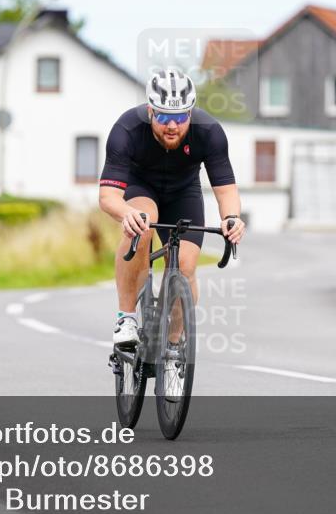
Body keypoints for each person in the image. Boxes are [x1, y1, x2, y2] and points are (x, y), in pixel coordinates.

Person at [98, 67, 246, 362]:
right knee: (142, 222)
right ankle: (126, 318)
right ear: (151, 111)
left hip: (183, 192)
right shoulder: (127, 129)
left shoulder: (209, 132)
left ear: (191, 113)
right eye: (164, 116)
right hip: (141, 188)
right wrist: (125, 213)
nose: (172, 126)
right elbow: (107, 197)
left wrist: (231, 218)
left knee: (186, 267)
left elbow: (227, 191)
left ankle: (174, 343)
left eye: (180, 117)